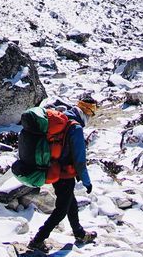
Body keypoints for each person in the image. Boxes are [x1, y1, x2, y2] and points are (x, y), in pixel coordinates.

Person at [28, 94, 99, 253]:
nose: (90, 116)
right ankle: (38, 240)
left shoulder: (63, 119)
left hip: (53, 169)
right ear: (87, 112)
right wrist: (87, 182)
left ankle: (79, 233)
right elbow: (80, 160)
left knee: (70, 203)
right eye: (91, 113)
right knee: (61, 210)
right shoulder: (75, 128)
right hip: (65, 174)